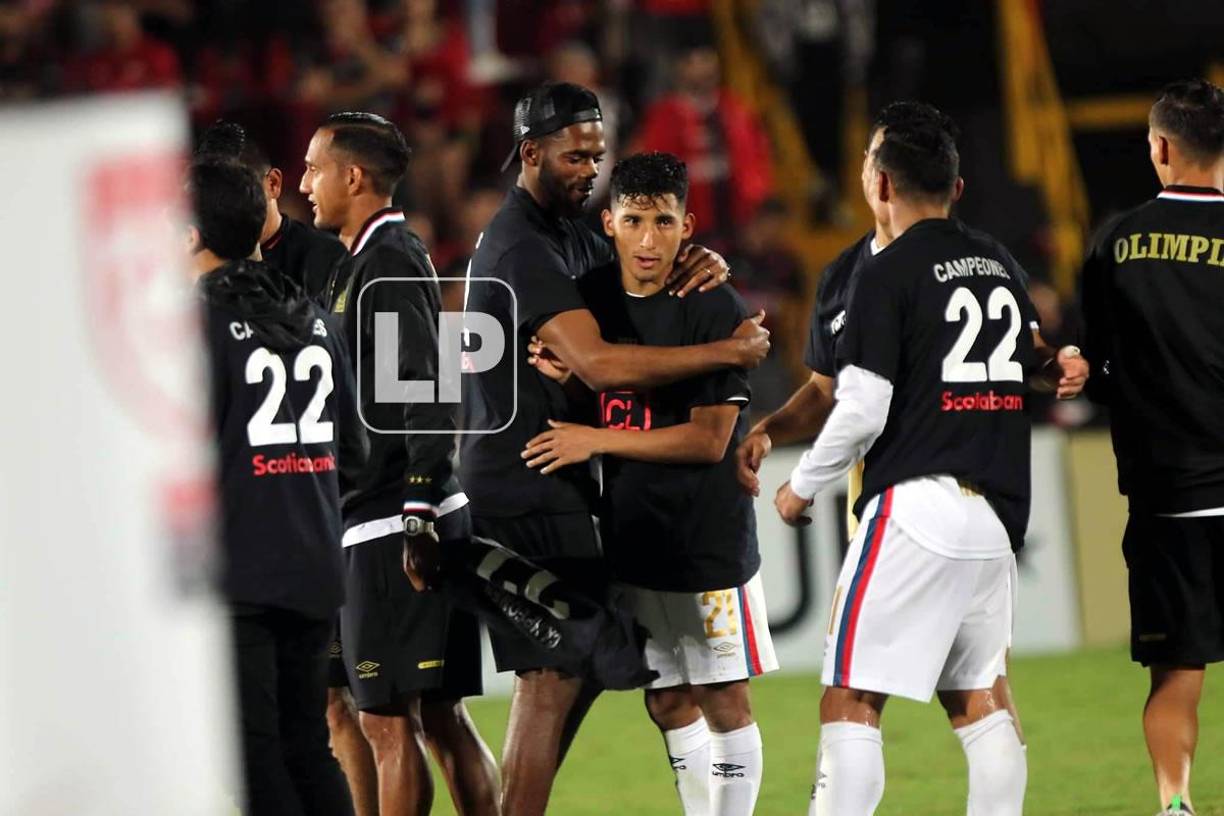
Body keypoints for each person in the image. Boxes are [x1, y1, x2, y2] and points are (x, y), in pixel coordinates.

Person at [734, 101, 1089, 768]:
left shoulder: (881, 275)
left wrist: (801, 485)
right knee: (978, 694)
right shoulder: (899, 269)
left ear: (880, 180)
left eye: (871, 158)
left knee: (853, 695)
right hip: (986, 506)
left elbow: (864, 401)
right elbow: (827, 388)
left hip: (907, 501)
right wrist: (772, 426)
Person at [453, 81, 769, 816]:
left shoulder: (574, 235)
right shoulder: (520, 244)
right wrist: (727, 349)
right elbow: (599, 365)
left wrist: (699, 258)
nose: (589, 168)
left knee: (584, 669)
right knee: (554, 674)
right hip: (528, 476)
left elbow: (641, 258)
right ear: (530, 153)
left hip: (564, 476)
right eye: (574, 156)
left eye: (597, 155)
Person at [522, 152, 777, 815]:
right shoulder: (592, 300)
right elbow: (605, 393)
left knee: (725, 699)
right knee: (665, 700)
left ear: (686, 225)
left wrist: (595, 439)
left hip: (707, 542)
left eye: (663, 222)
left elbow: (708, 439)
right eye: (633, 220)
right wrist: (571, 381)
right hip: (635, 538)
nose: (647, 240)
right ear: (609, 222)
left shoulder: (714, 305)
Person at [298, 111, 498, 816]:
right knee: (439, 716)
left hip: (392, 518)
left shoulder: (387, 259)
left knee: (388, 721)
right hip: (392, 513)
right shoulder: (366, 261)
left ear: (353, 176)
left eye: (315, 168)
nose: (305, 183)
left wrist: (416, 506)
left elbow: (429, 384)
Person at [195, 118, 378, 816]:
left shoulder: (194, 324)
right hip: (314, 565)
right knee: (308, 746)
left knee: (253, 754)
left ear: (190, 235)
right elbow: (354, 453)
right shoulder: (311, 317)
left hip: (241, 570)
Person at [1079, 78, 1224, 816]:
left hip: (1172, 499)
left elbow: (1099, 368)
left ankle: (1175, 804)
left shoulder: (1116, 241)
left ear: (1160, 148)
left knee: (1176, 672)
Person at [196, 121, 349, 306]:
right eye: (214, 194)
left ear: (273, 184)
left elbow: (379, 326)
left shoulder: (326, 258)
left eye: (240, 189)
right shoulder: (194, 261)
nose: (227, 203)